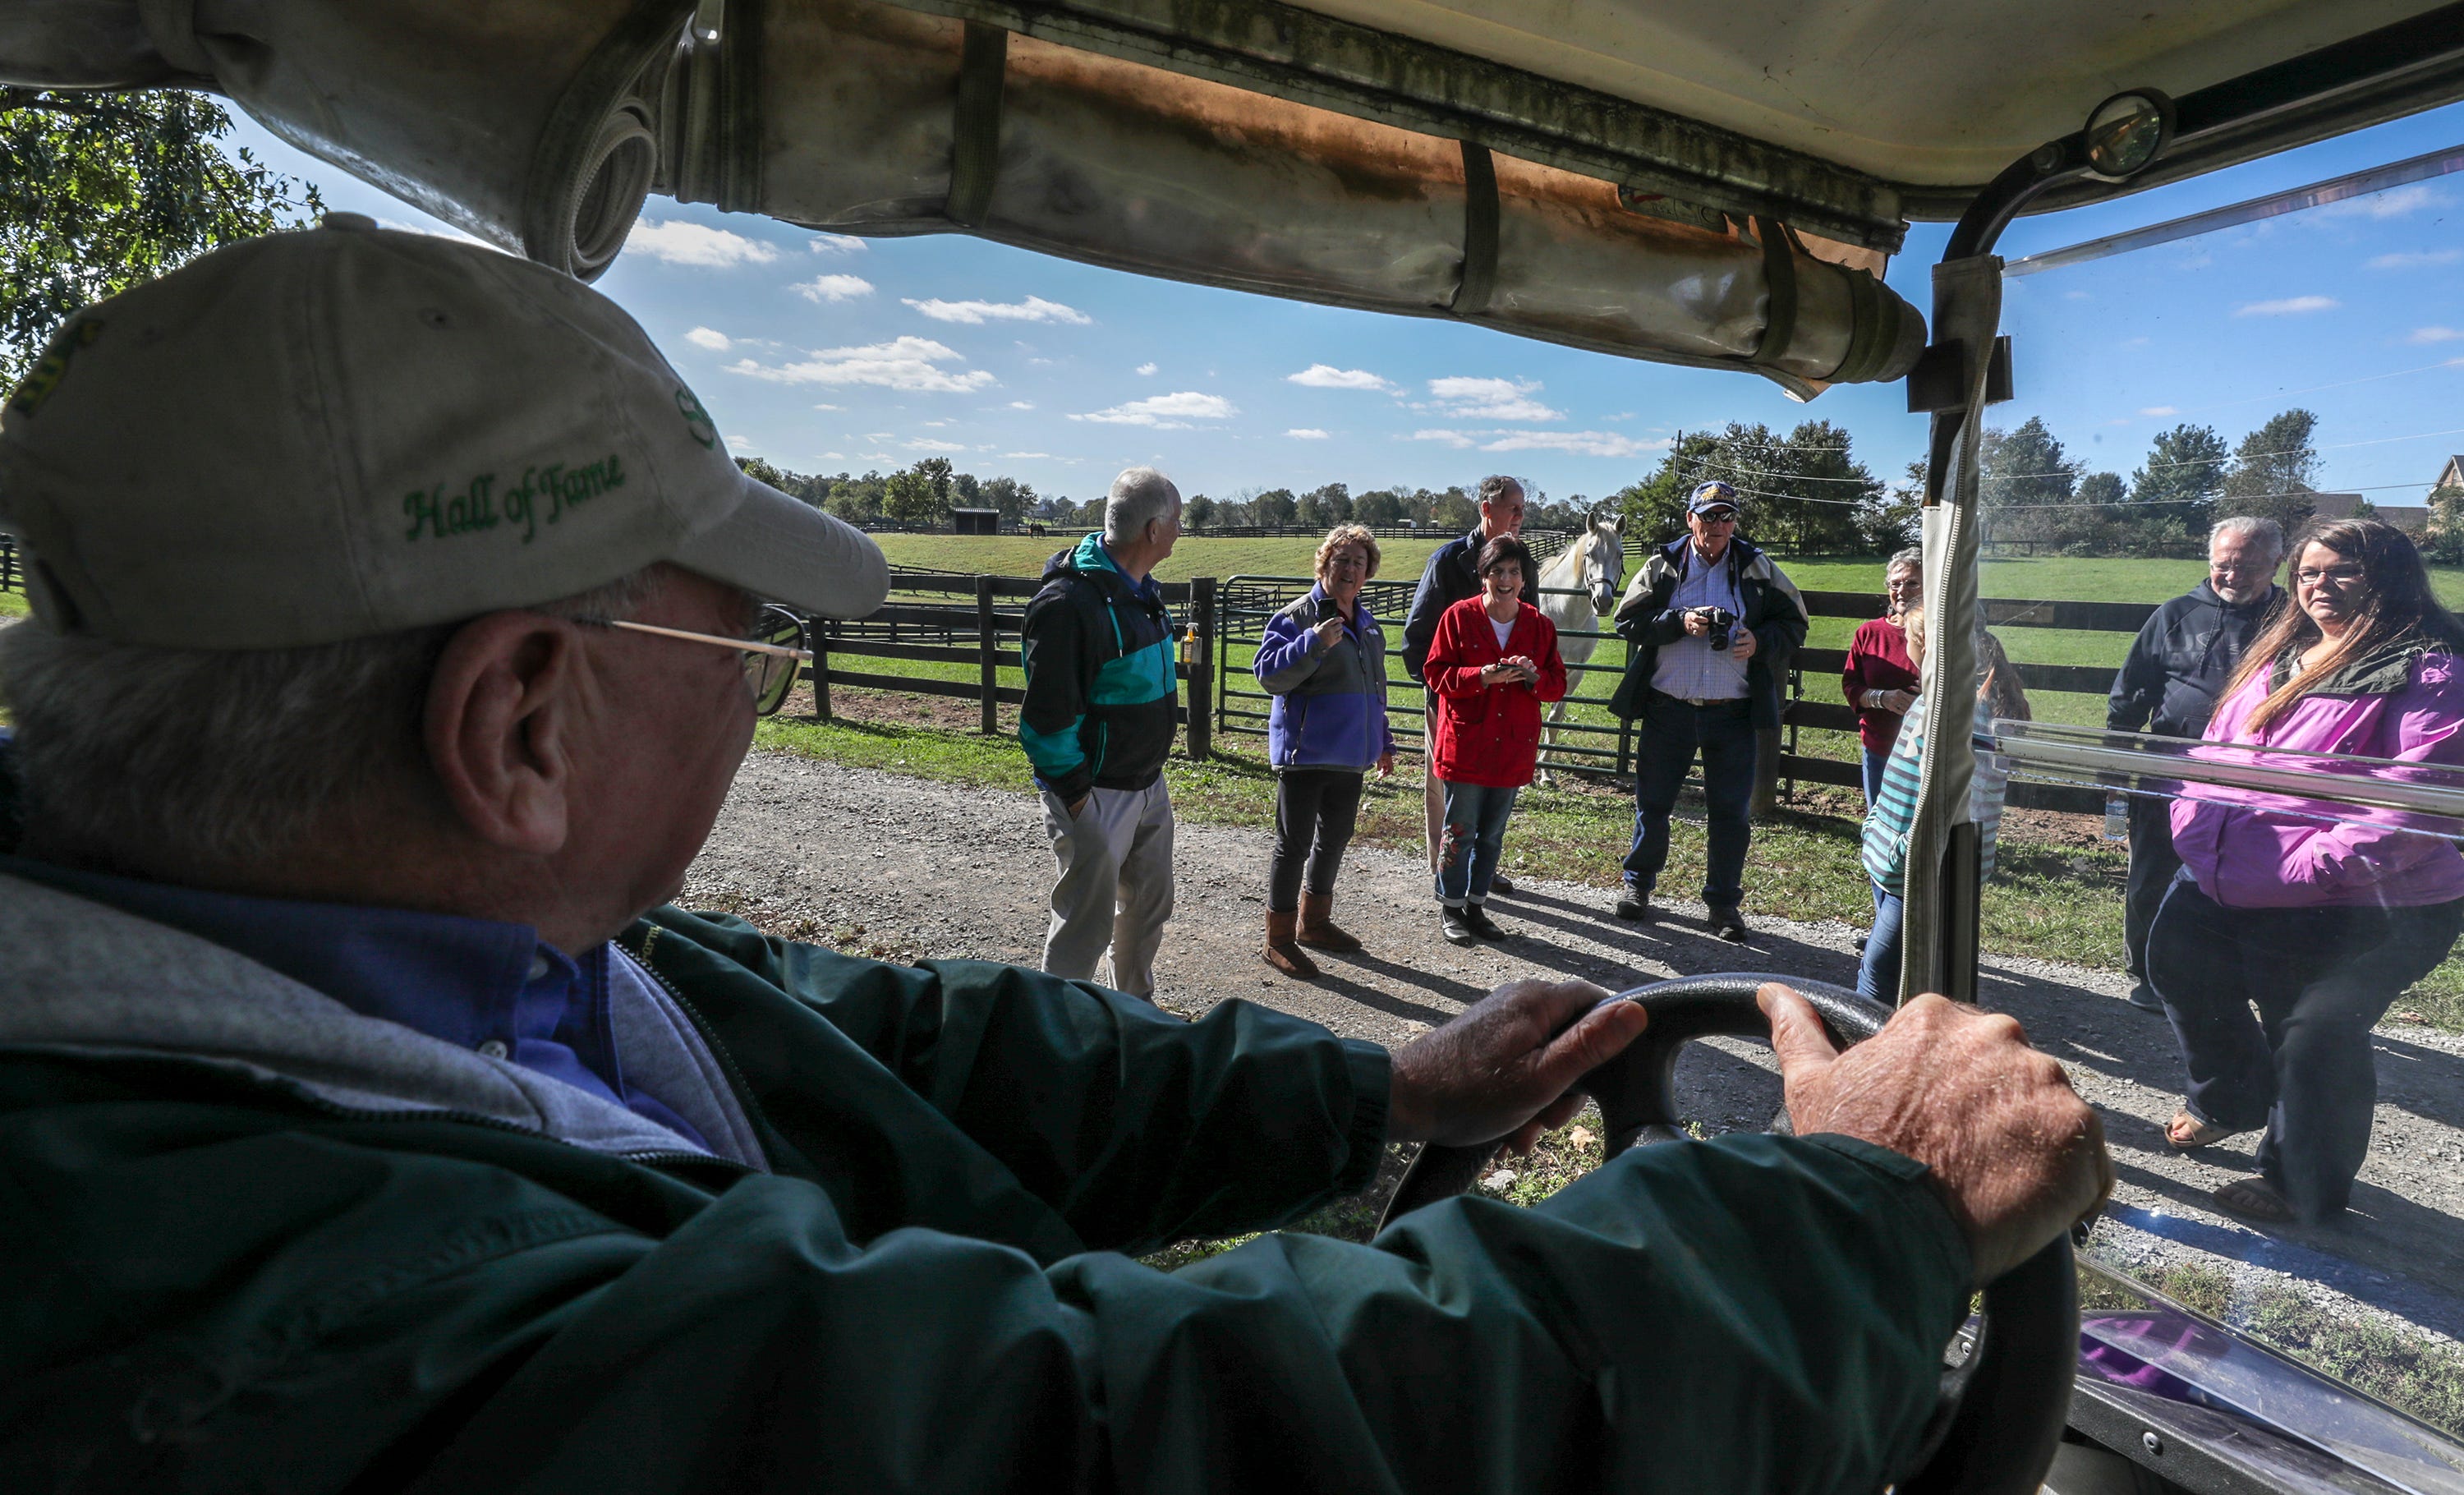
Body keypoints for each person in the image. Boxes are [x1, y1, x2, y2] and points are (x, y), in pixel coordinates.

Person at [0, 220, 2112, 1493]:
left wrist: (1370, 1087)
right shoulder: (296, 1312)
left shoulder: (420, 958)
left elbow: (888, 1041)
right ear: (521, 725)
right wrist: (1846, 1216)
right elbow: (1122, 1438)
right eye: (730, 640)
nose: (751, 694)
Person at [2149, 517, 2464, 1226]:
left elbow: (2418, 800)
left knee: (2313, 1029)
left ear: (2387, 576)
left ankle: (2301, 1181)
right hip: (2231, 872)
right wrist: (2193, 829)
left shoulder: (2426, 668)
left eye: (2341, 570)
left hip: (2363, 900)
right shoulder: (2281, 651)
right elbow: (2215, 752)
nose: (2320, 584)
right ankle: (2227, 1098)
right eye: (2310, 572)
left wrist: (2308, 868)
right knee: (2175, 963)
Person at [1607, 481, 1809, 940]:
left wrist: (1760, 642)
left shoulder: (1757, 566)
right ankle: (1637, 886)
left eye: (1726, 516)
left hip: (1732, 713)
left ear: (1735, 521)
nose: (1718, 525)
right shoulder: (1663, 565)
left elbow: (1796, 622)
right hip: (1669, 707)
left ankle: (1723, 905)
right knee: (1653, 804)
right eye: (1709, 515)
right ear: (1690, 519)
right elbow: (1627, 620)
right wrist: (1678, 622)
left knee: (1730, 813)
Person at [2108, 517, 2286, 1012]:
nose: (2232, 575)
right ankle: (2147, 972)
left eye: (2248, 566)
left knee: (2247, 876)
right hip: (2171, 770)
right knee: (2153, 872)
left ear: (2277, 564)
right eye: (2223, 564)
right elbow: (2131, 691)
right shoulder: (2175, 614)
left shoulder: (2297, 622)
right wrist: (2116, 755)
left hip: (2257, 778)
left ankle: (2232, 977)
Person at [1018, 467, 1184, 1000]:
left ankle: (1133, 1019)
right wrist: (1080, 801)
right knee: (1085, 926)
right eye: (1178, 521)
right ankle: (1056, 1033)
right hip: (1094, 794)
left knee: (1149, 906)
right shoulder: (1069, 605)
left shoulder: (1140, 590)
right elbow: (1045, 724)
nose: (1182, 530)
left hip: (1146, 785)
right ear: (1154, 530)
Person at [1254, 524, 1398, 978]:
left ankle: (1313, 923)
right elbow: (1268, 675)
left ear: (1368, 570)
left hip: (1351, 756)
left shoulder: (1369, 625)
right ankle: (1277, 939)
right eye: (1342, 560)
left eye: (1359, 562)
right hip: (1306, 753)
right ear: (1325, 564)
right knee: (1293, 845)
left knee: (1334, 839)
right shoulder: (1297, 617)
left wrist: (1383, 741)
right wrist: (1313, 642)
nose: (1350, 569)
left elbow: (1376, 689)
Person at [1856, 608, 2015, 1005]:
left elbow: (1949, 800)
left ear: (1925, 646)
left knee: (1880, 973)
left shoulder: (1951, 714)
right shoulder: (1943, 703)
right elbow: (1904, 785)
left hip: (1922, 868)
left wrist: (1905, 850)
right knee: (1910, 968)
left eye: (1908, 639)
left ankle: (1869, 1053)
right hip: (1923, 864)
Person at [1423, 536, 1567, 945]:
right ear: (1483, 575)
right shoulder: (1458, 617)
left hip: (1512, 746)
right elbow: (1435, 673)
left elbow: (1557, 684)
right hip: (1468, 744)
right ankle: (1451, 906)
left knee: (1491, 834)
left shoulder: (1539, 626)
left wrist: (1533, 677)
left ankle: (1476, 905)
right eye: (1497, 571)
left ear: (1524, 579)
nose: (1506, 579)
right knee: (1460, 828)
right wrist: (1479, 677)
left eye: (1514, 572)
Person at [1402, 474, 1527, 893]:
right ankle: (1445, 869)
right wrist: (1440, 690)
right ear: (1486, 509)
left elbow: (1532, 627)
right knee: (1443, 786)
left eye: (1523, 509)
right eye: (1513, 508)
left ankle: (1481, 868)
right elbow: (1417, 637)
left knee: (1492, 786)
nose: (1519, 517)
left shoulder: (1521, 563)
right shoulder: (1448, 561)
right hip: (1453, 697)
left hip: (1504, 706)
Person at [1843, 547, 1924, 804]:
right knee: (1880, 827)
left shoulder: (1939, 633)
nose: (1902, 590)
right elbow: (1851, 685)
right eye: (1895, 583)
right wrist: (1881, 698)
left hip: (1924, 754)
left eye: (1912, 583)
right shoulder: (1869, 633)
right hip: (1879, 749)